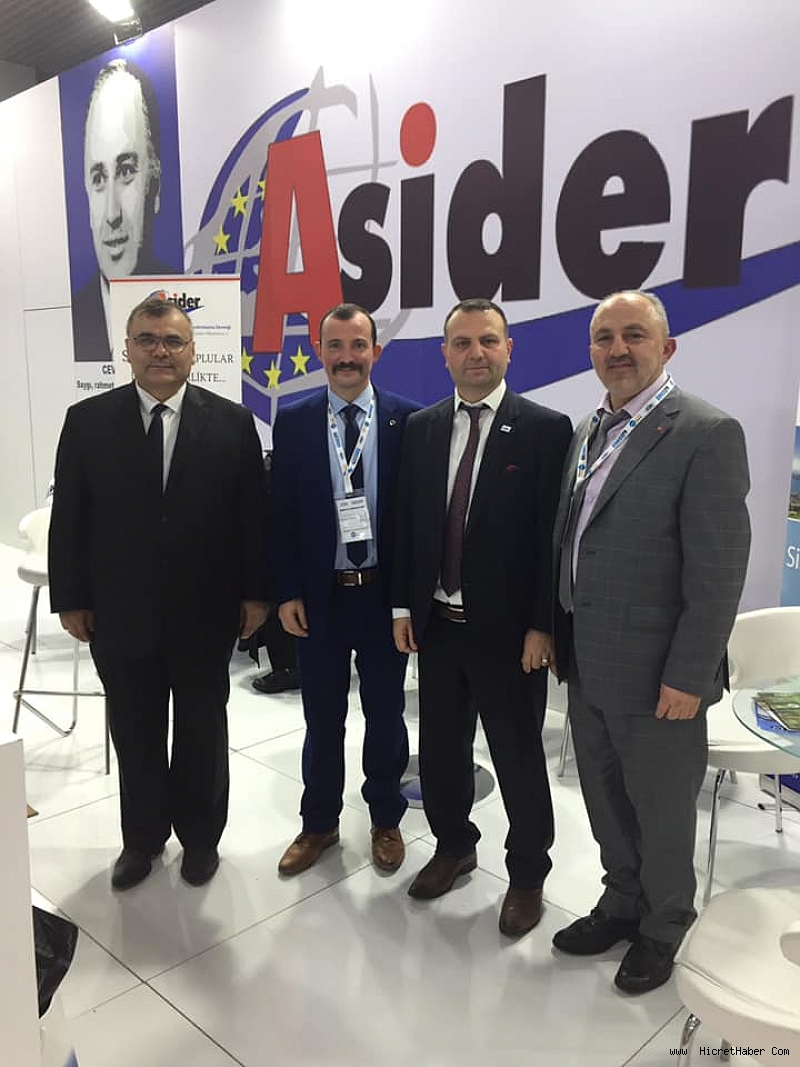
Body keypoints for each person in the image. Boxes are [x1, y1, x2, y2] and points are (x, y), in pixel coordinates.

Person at [551, 290, 750, 992]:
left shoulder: (705, 431)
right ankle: (621, 902)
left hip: (659, 675)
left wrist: (689, 675)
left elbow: (718, 573)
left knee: (662, 813)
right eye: (604, 337)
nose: (617, 349)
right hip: (588, 662)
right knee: (606, 802)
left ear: (666, 347)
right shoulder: (590, 429)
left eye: (634, 335)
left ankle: (664, 925)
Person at [48, 295, 269, 890]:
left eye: (173, 341)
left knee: (202, 729)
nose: (160, 351)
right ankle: (141, 840)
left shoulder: (232, 423)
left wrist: (256, 596)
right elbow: (70, 517)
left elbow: (251, 518)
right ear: (127, 350)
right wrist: (70, 597)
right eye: (147, 339)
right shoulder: (87, 421)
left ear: (193, 351)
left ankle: (200, 839)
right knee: (135, 728)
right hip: (120, 613)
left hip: (205, 611)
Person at [392, 298, 572, 936]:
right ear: (444, 354)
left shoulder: (546, 429)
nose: (476, 354)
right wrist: (403, 606)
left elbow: (552, 540)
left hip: (510, 636)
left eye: (488, 341)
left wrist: (542, 625)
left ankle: (527, 875)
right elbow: (409, 525)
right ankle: (453, 847)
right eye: (462, 343)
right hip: (437, 626)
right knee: (441, 751)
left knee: (518, 759)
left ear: (508, 350)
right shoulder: (422, 428)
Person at [270, 303, 420, 876]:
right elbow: (281, 514)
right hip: (320, 599)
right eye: (335, 346)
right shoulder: (294, 421)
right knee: (322, 717)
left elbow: (415, 523)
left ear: (375, 351)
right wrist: (287, 591)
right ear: (320, 351)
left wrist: (407, 601)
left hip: (383, 598)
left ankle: (385, 819)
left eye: (358, 345)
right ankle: (319, 824)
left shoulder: (408, 421)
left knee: (386, 715)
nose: (346, 357)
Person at [72, 59, 175, 362]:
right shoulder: (72, 322)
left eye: (126, 171)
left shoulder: (191, 312)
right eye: (98, 178)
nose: (112, 213)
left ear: (155, 185)